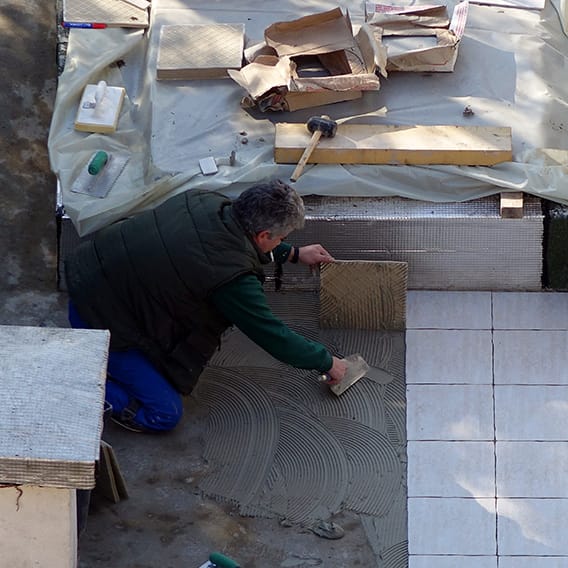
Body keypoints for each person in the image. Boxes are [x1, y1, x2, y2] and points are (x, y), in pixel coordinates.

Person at [65, 180, 347, 433]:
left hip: (89, 276)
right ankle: (79, 382)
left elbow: (234, 241)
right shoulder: (232, 279)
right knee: (164, 413)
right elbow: (272, 336)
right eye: (281, 239)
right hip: (97, 319)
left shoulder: (204, 200)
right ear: (263, 235)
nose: (282, 243)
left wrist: (294, 254)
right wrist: (326, 362)